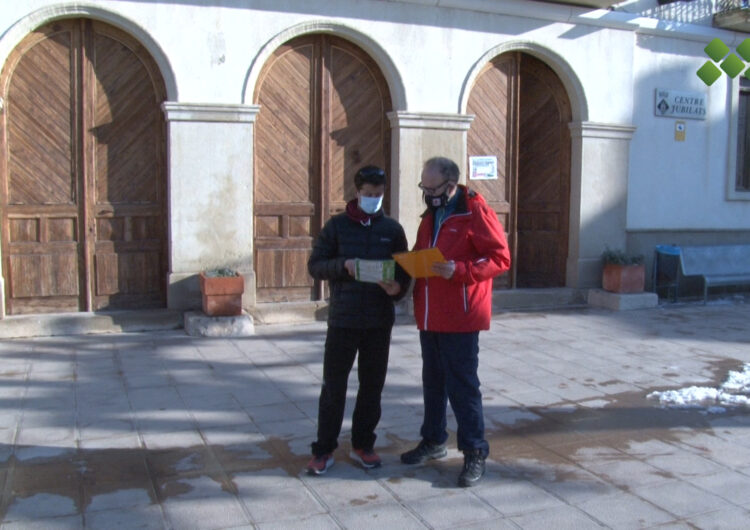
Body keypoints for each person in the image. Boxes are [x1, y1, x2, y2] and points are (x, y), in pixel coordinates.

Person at [400, 156, 511, 487]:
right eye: (423, 186)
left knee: (463, 387)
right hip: (431, 314)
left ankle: (475, 451)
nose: (427, 193)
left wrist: (460, 270)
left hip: (461, 316)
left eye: (431, 188)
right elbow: (423, 251)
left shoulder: (474, 211)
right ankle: (433, 441)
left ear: (450, 185)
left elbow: (500, 258)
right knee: (432, 383)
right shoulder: (431, 214)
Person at [306, 165, 410, 475]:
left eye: (378, 195)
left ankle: (363, 444)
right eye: (368, 195)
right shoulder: (336, 226)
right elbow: (316, 266)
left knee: (372, 387)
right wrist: (345, 265)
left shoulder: (392, 230)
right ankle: (323, 449)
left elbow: (403, 275)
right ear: (357, 193)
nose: (373, 200)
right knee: (333, 387)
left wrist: (397, 289)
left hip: (378, 321)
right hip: (343, 320)